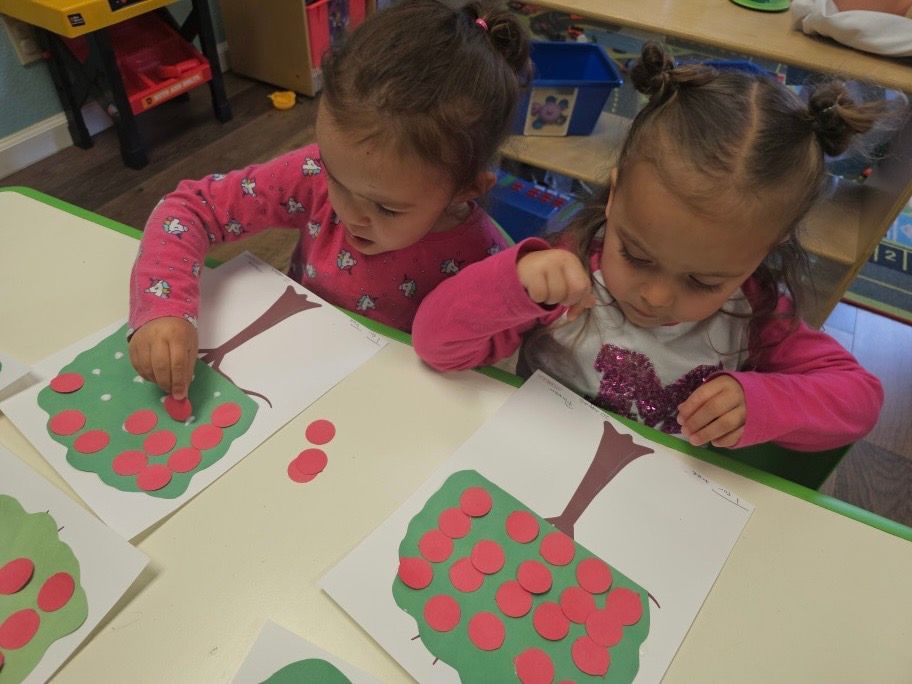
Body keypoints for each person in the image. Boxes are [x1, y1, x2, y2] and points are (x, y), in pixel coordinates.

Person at [413, 44, 885, 451]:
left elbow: (860, 400)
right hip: (521, 470)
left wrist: (762, 403)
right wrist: (511, 284)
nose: (655, 298)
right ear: (615, 196)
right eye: (636, 256)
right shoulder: (565, 272)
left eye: (703, 281)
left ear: (765, 251)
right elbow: (435, 344)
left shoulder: (758, 315)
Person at [128, 0, 530, 399]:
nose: (349, 215)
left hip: (380, 406)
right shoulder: (313, 174)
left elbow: (478, 380)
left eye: (386, 208)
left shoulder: (485, 262)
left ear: (466, 189)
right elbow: (191, 209)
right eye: (336, 178)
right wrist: (164, 306)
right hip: (290, 373)